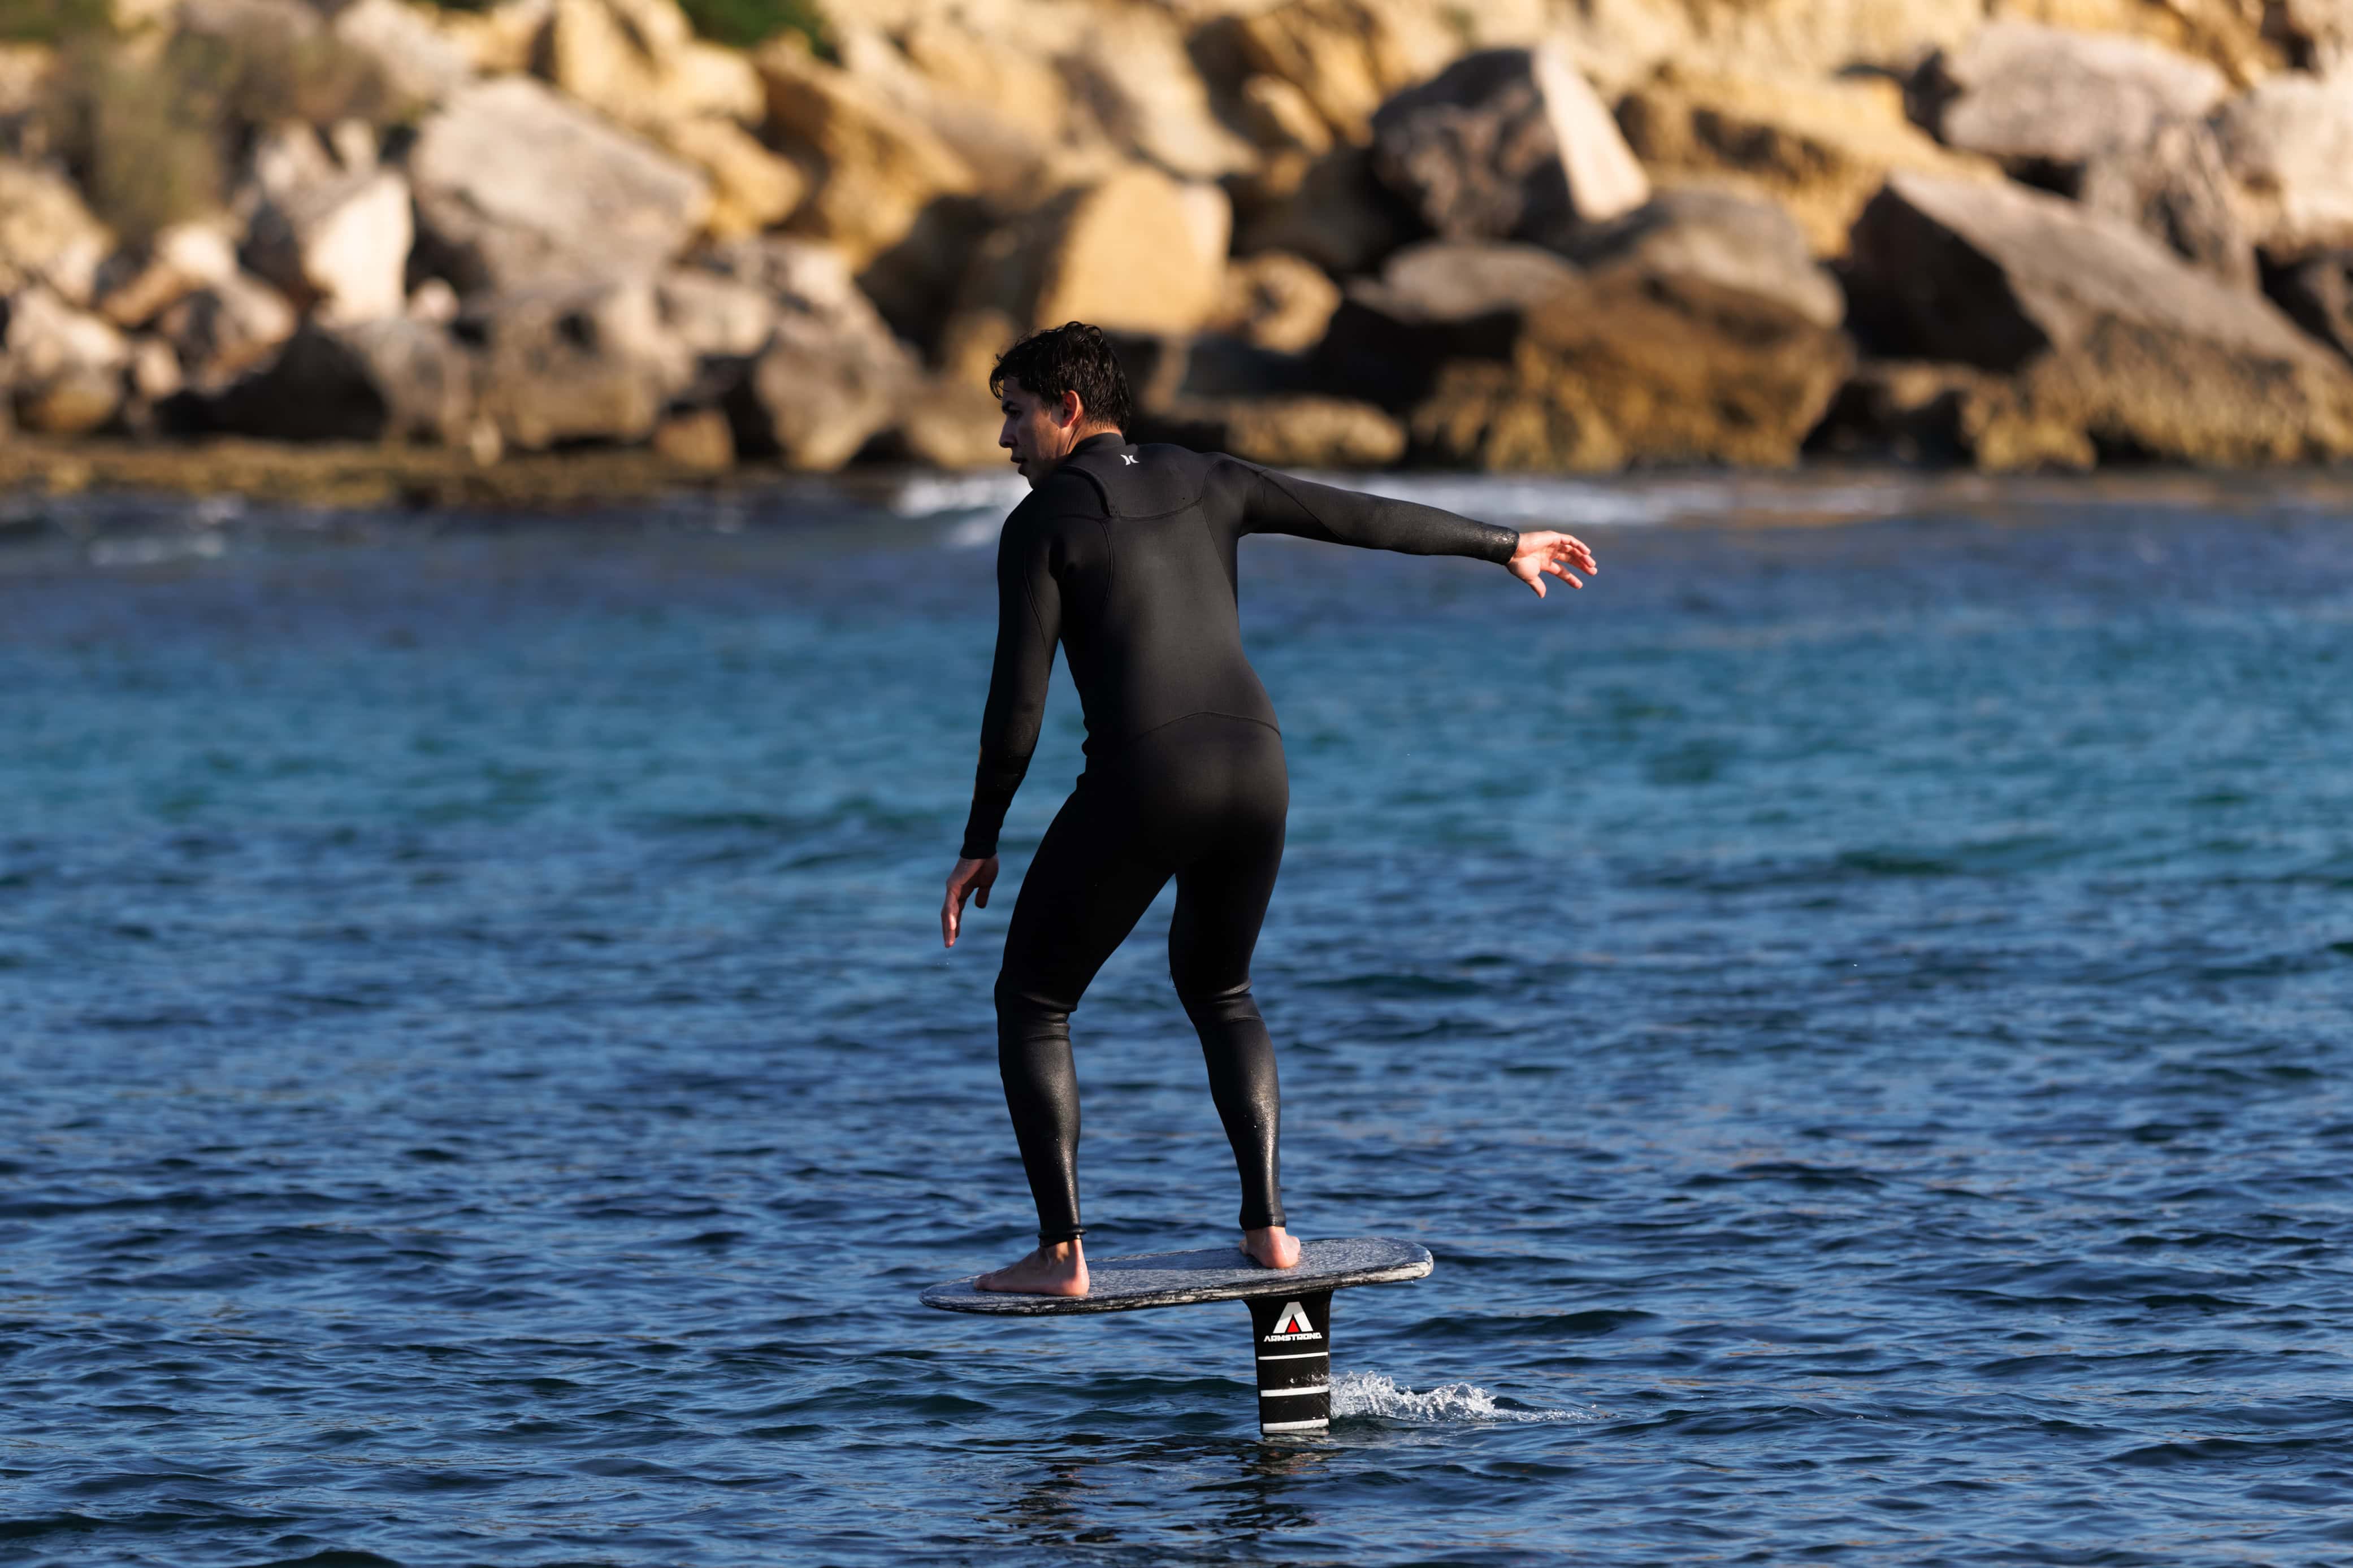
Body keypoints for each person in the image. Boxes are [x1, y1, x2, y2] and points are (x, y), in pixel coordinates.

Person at [940, 322, 1597, 1296]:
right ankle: (1271, 1232)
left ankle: (1062, 1252)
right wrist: (1503, 544)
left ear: (1066, 411)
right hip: (1259, 765)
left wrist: (980, 840)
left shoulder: (1041, 526)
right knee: (1220, 990)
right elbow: (1353, 515)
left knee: (1033, 999)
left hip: (1147, 776)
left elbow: (1018, 710)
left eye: (1015, 416)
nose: (1006, 442)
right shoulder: (1209, 477)